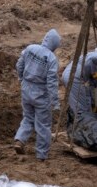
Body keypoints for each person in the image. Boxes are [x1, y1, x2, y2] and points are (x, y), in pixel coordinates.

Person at [13, 29, 61, 161]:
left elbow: (19, 64)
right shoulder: (51, 59)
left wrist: (21, 78)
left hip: (26, 88)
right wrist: (55, 102)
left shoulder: (30, 48)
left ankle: (20, 140)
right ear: (55, 45)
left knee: (28, 117)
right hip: (40, 93)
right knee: (43, 124)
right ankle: (41, 154)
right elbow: (52, 82)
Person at [62, 48, 97, 116]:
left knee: (84, 97)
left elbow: (94, 86)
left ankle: (83, 116)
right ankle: (83, 121)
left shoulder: (96, 63)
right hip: (74, 77)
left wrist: (96, 103)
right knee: (81, 105)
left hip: (69, 74)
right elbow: (93, 59)